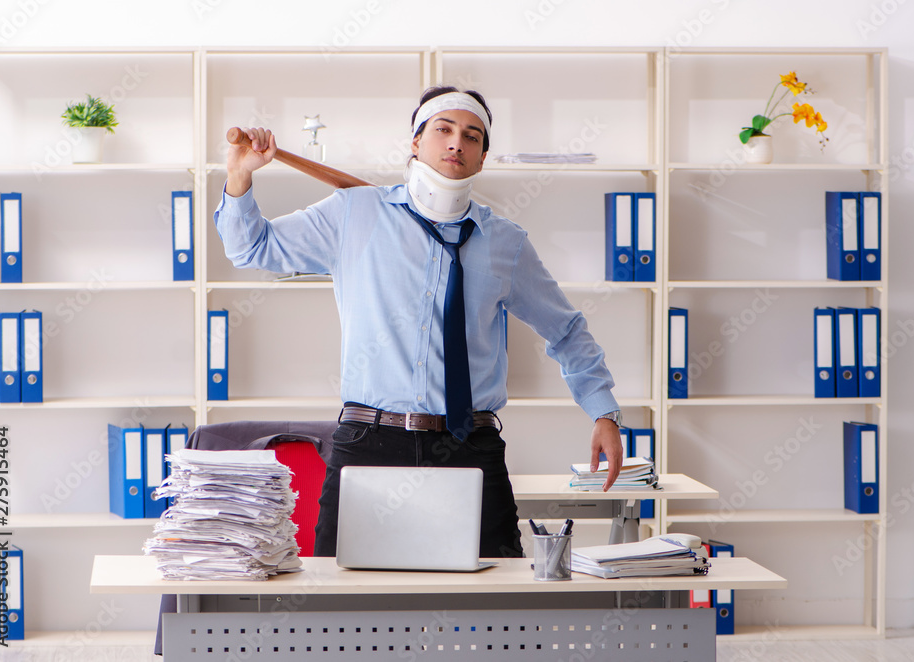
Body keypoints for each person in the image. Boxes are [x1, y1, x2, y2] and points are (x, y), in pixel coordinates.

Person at [214, 86, 624, 558]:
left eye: (472, 136)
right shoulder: (355, 213)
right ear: (415, 142)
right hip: (369, 442)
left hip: (470, 446)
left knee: (497, 595)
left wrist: (604, 413)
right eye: (443, 129)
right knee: (341, 597)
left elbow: (566, 330)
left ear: (482, 159)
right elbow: (252, 248)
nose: (456, 143)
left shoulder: (505, 243)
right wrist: (240, 176)